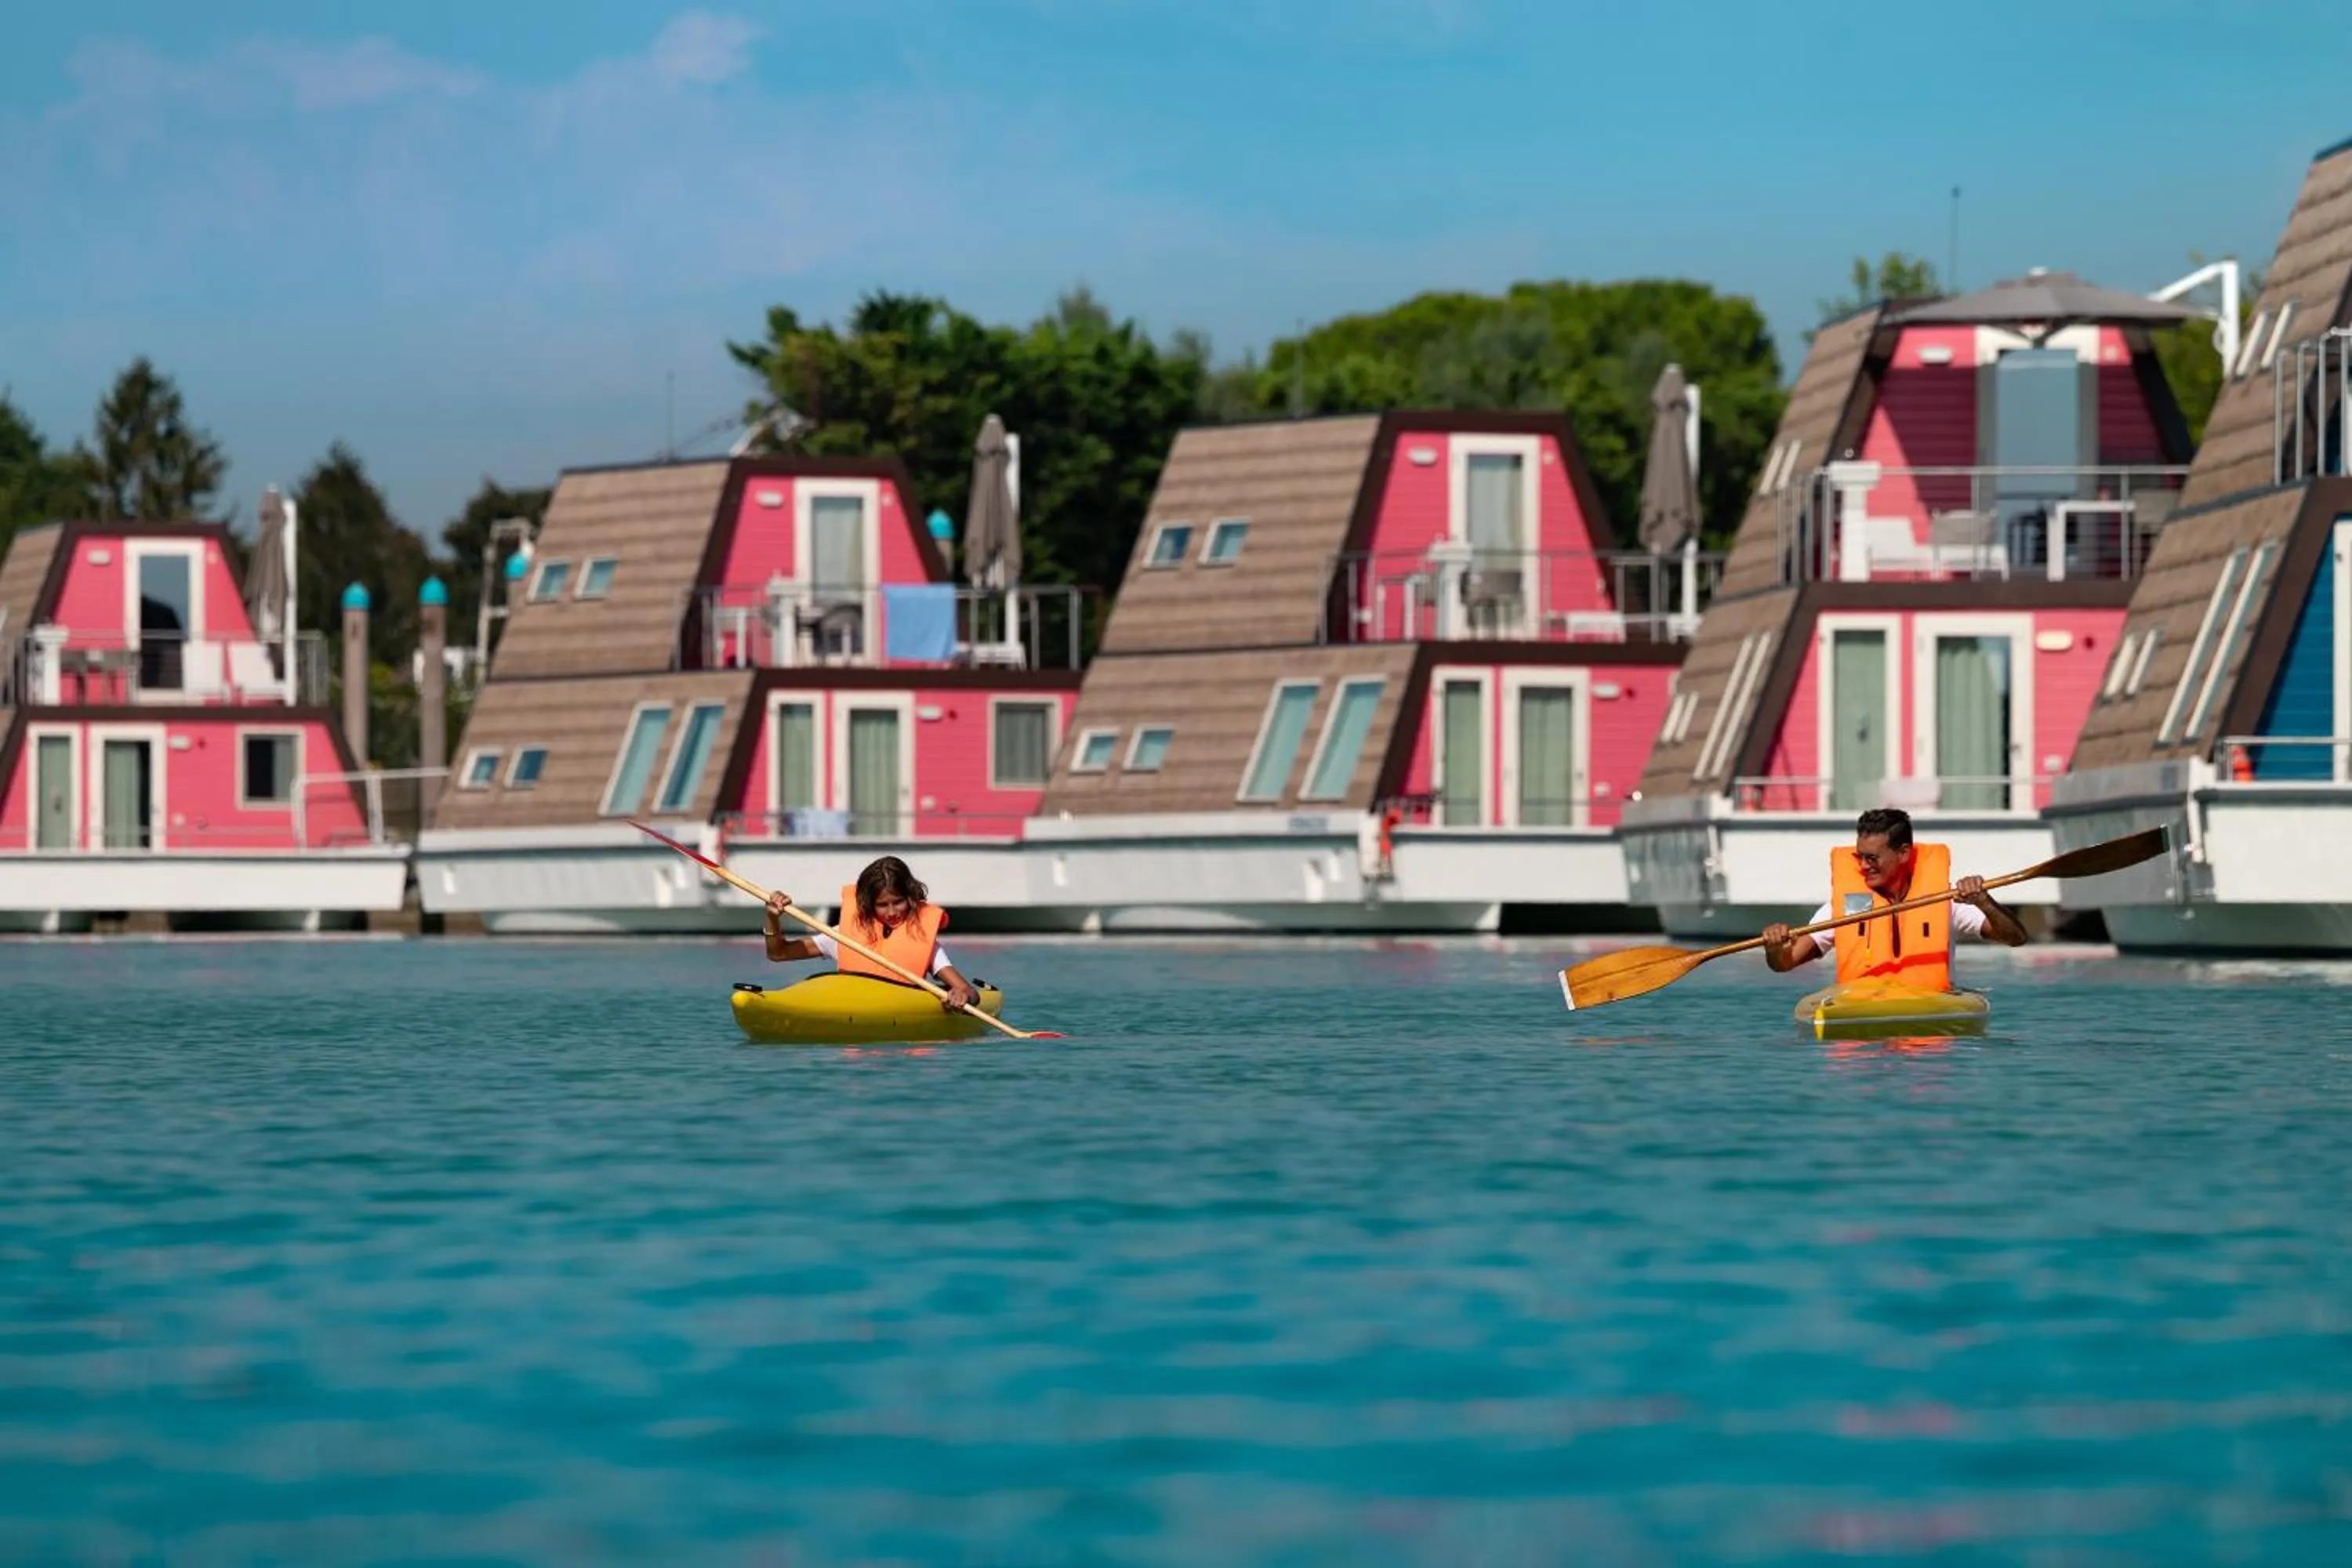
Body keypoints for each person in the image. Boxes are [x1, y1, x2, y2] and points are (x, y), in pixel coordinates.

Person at [1762, 807, 2027, 984]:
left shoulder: (1943, 899)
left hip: (1928, 1021)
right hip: (1864, 1018)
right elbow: (1785, 963)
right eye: (1860, 857)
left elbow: (2016, 938)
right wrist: (1775, 949)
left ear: (1903, 854)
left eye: (1873, 858)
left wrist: (1984, 901)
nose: (1864, 866)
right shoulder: (1847, 905)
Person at [762, 855, 978, 1012]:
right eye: (883, 905)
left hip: (900, 1021)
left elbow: (970, 992)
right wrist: (772, 917)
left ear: (911, 898)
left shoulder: (924, 942)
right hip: (850, 1017)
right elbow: (779, 954)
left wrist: (961, 995)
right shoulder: (842, 936)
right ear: (868, 904)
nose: (892, 912)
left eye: (898, 902)